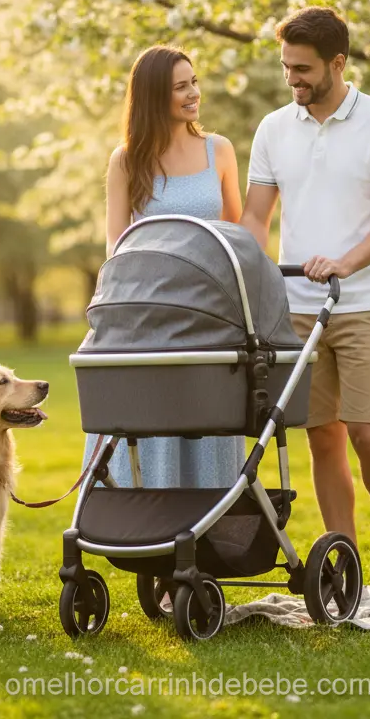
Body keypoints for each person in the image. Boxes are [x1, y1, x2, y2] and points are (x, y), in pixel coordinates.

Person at [239, 7, 370, 602]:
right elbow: (256, 220)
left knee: (367, 432)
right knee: (322, 437)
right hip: (295, 308)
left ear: (338, 63)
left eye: (304, 68)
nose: (293, 79)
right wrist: (246, 274)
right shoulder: (273, 130)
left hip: (363, 302)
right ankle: (346, 564)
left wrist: (346, 261)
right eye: (287, 67)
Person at [81, 45, 246, 489]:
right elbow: (117, 244)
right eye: (180, 86)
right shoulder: (126, 160)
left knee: (208, 414)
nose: (194, 93)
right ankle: (150, 522)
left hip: (211, 311)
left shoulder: (220, 151)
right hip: (152, 310)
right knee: (155, 419)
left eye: (194, 82)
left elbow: (236, 231)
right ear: (155, 96)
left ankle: (212, 525)